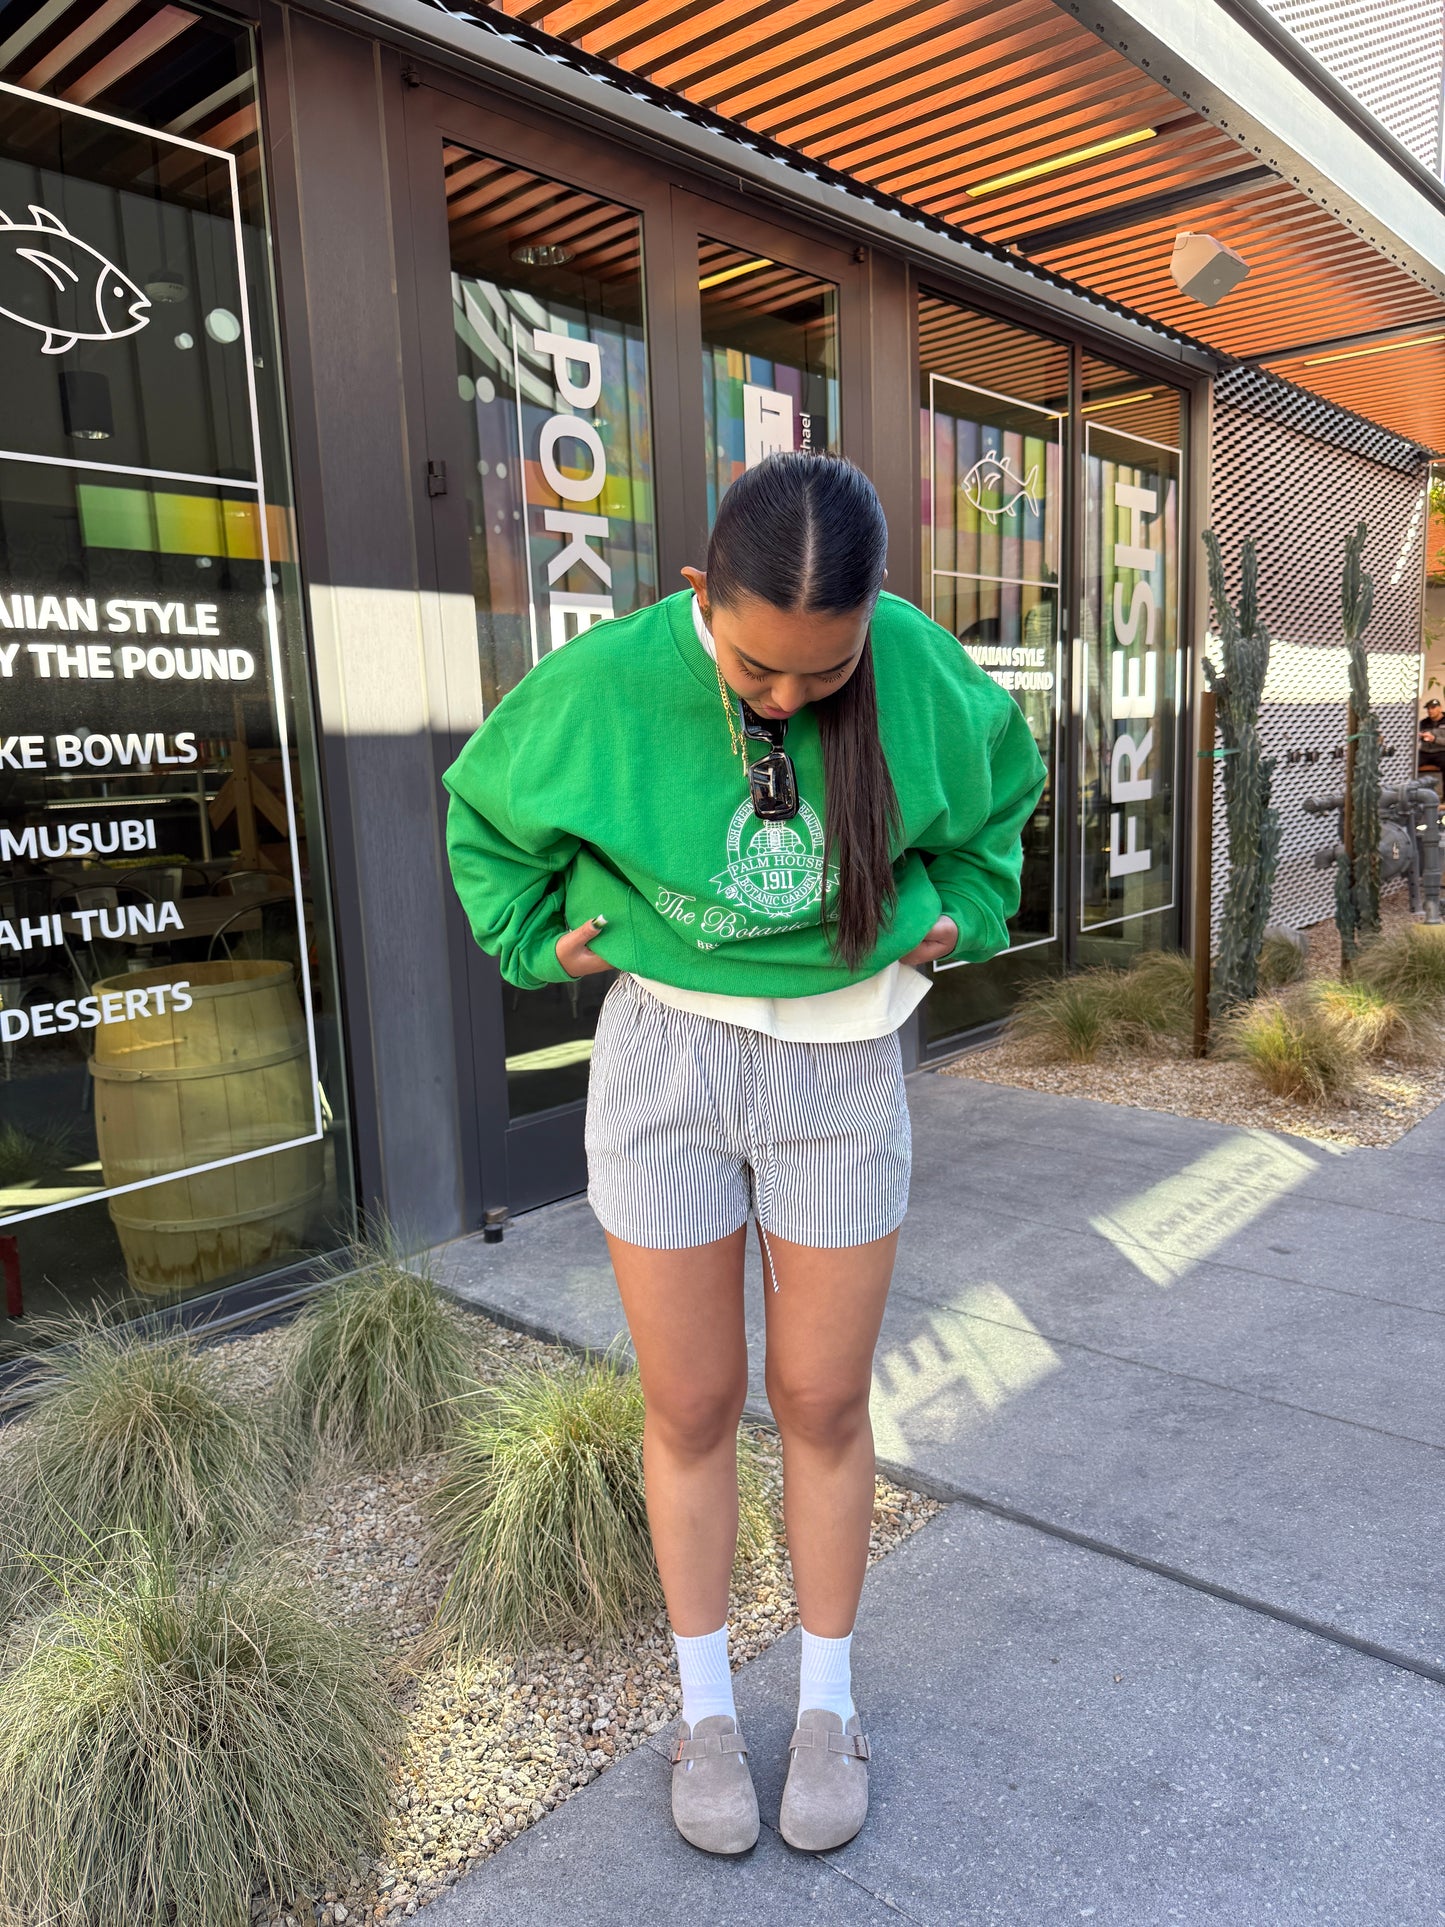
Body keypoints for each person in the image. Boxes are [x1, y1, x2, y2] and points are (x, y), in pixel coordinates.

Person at [444, 452, 1045, 1857]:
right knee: (693, 1397)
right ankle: (706, 1708)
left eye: (820, 675)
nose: (786, 697)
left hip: (840, 1061)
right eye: (757, 670)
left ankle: (827, 1703)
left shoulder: (913, 663)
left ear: (873, 613)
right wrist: (535, 940)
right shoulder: (605, 682)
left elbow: (1003, 792)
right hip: (665, 1061)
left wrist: (959, 906)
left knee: (824, 1399)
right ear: (696, 593)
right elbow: (486, 815)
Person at [1420, 698, 1445, 781]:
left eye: (1433, 708)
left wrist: (1434, 739)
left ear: (1440, 708)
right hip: (1424, 752)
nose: (1430, 711)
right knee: (1409, 763)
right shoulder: (1423, 722)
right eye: (1428, 708)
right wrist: (1419, 736)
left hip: (1441, 752)